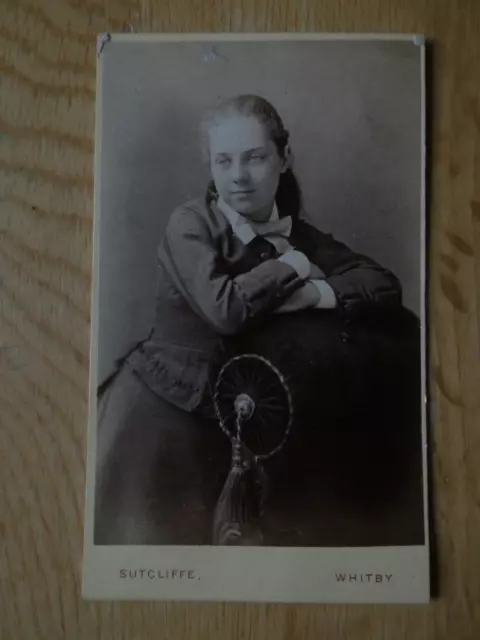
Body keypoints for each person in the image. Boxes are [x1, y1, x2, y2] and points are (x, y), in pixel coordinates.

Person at [94, 95, 420, 546]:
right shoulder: (190, 224)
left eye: (255, 158)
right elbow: (225, 310)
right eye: (223, 161)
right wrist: (292, 266)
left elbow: (383, 283)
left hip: (249, 418)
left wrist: (315, 293)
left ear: (284, 159)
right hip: (166, 410)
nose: (239, 176)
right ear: (209, 164)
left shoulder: (296, 235)